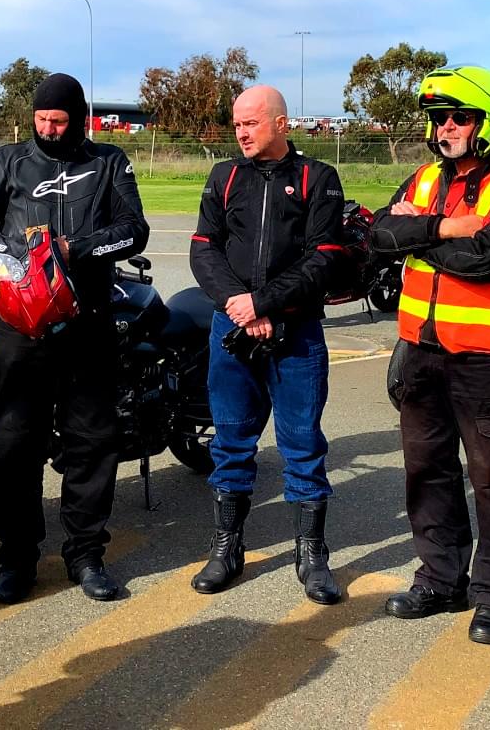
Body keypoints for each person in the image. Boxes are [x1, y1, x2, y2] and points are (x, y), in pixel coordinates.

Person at [369, 65, 490, 646]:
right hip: (419, 352)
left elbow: (487, 262)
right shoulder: (423, 178)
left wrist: (416, 237)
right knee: (427, 471)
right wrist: (449, 228)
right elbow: (373, 237)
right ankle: (440, 578)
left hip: (484, 358)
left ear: (487, 123)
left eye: (459, 117)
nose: (445, 127)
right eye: (438, 117)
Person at [0, 73, 149, 604]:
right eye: (42, 119)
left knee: (92, 444)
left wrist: (73, 249)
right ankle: (16, 558)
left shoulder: (108, 162)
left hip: (88, 327)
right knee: (13, 444)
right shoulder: (9, 161)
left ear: (78, 118)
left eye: (59, 121)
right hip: (22, 329)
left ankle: (85, 555)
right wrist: (18, 252)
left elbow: (136, 229)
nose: (49, 129)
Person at [187, 85, 346, 604]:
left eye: (251, 123)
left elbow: (323, 257)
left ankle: (312, 555)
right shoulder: (224, 176)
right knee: (230, 442)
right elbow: (203, 248)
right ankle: (227, 547)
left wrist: (266, 305)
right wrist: (238, 302)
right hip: (231, 329)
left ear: (281, 123)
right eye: (236, 124)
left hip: (294, 333)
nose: (241, 133)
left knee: (302, 444)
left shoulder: (317, 178)